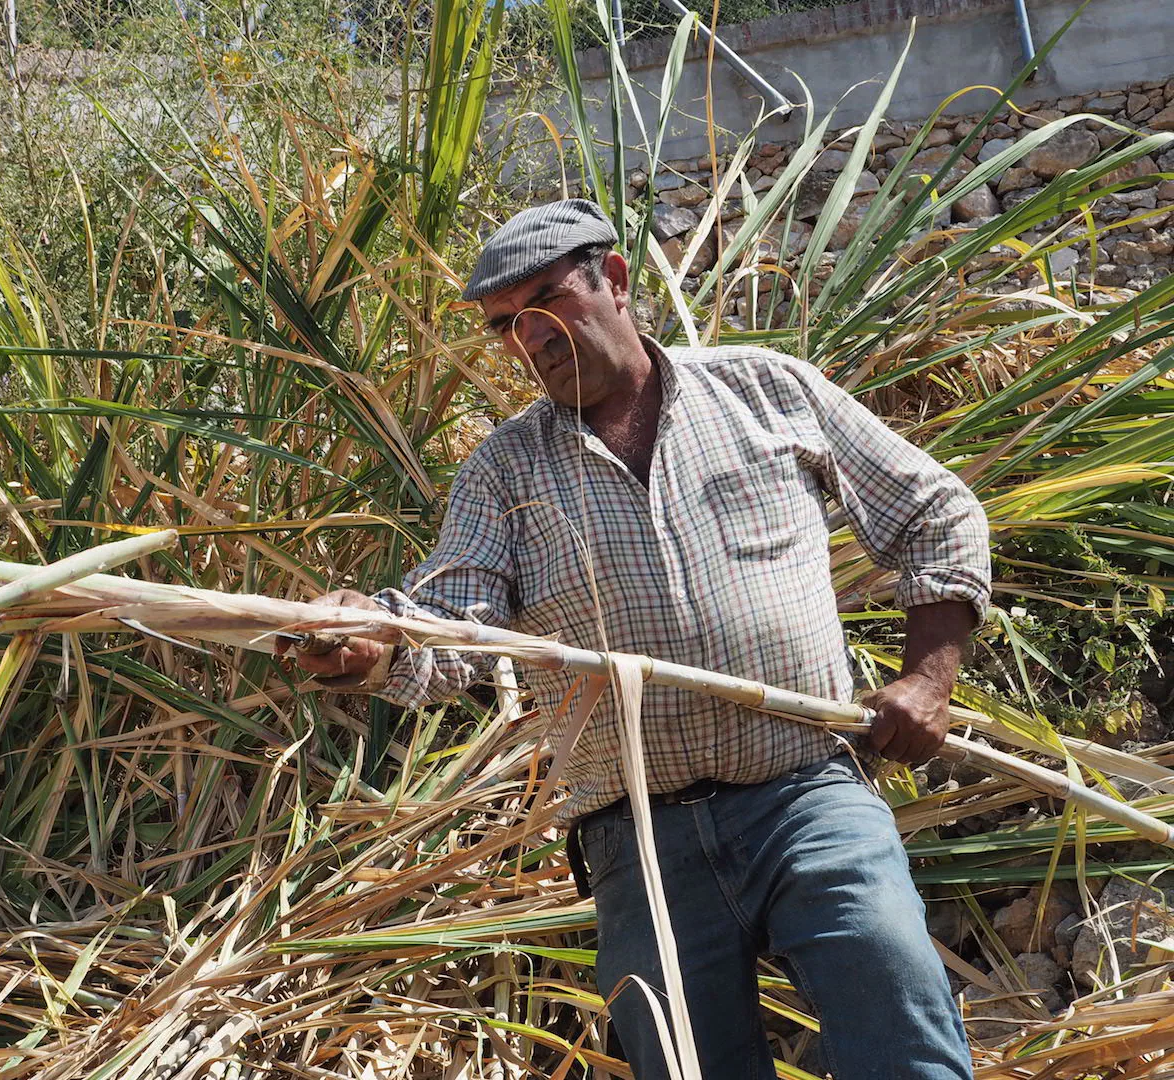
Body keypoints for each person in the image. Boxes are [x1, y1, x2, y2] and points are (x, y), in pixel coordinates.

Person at [283, 199, 986, 1079]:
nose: (528, 340)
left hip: (806, 795)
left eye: (546, 305)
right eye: (506, 326)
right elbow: (450, 622)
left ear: (614, 281)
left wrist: (927, 677)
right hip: (637, 838)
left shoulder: (766, 390)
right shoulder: (505, 473)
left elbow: (935, 512)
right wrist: (371, 642)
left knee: (900, 1019)